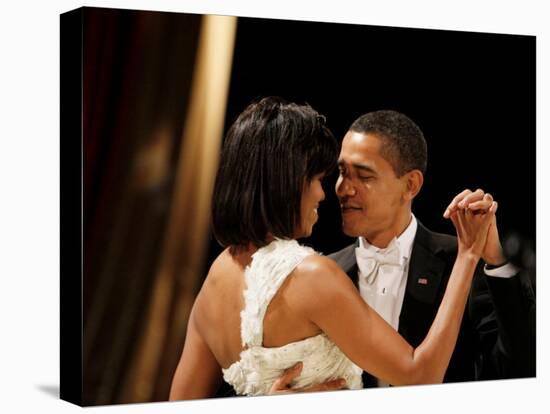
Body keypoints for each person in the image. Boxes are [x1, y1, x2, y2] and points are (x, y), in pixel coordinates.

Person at [168, 97, 499, 400]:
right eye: (317, 179)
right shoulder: (312, 274)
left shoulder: (215, 279)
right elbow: (421, 376)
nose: (325, 194)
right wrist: (468, 255)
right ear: (287, 182)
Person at [273, 110, 535, 391]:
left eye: (363, 175)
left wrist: (496, 262)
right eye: (342, 172)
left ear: (410, 185)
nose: (342, 188)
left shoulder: (462, 262)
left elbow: (518, 368)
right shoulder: (321, 274)